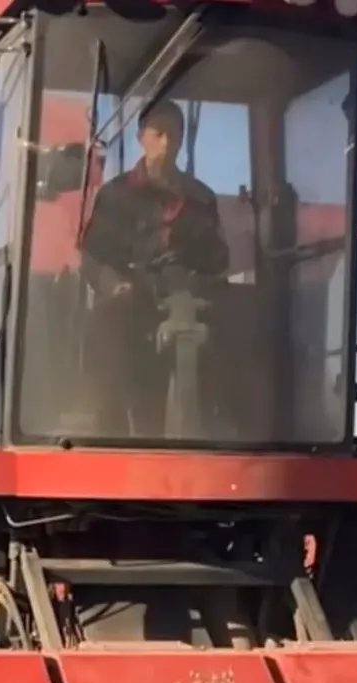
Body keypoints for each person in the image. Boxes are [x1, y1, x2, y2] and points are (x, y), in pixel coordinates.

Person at [80, 100, 229, 438]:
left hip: (187, 303)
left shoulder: (201, 199)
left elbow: (219, 260)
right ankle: (109, 441)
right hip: (130, 305)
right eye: (159, 134)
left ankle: (222, 436)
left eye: (174, 136)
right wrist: (113, 284)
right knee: (110, 332)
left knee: (234, 328)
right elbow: (93, 258)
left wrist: (197, 286)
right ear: (141, 137)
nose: (166, 144)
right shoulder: (115, 196)